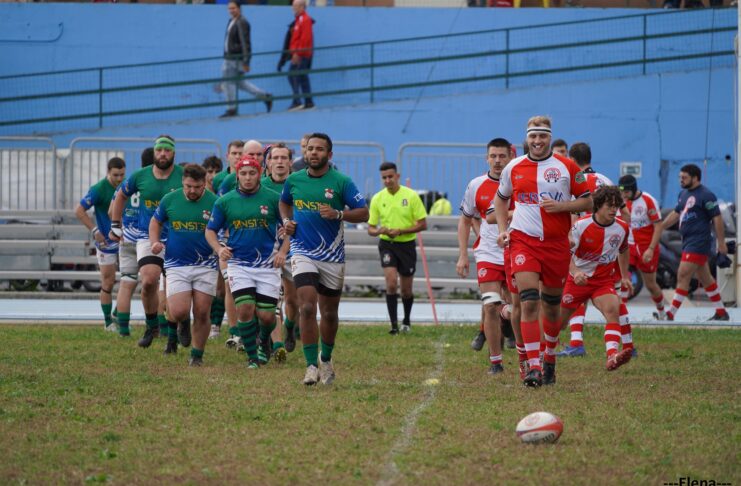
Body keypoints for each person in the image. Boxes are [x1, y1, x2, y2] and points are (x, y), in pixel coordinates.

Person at [494, 116, 591, 387]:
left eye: (543, 136)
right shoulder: (514, 167)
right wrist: (503, 228)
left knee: (551, 308)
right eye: (533, 137)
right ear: (527, 138)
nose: (537, 141)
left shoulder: (567, 167)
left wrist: (562, 208)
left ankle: (549, 357)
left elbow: (589, 201)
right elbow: (500, 199)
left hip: (556, 244)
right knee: (528, 301)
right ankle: (533, 367)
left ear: (550, 137)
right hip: (523, 241)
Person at [279, 133, 369, 385]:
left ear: (329, 155)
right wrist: (287, 222)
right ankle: (310, 366)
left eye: (319, 149)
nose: (313, 153)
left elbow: (364, 213)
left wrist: (338, 213)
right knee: (306, 306)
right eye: (310, 149)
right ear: (305, 153)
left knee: (329, 313)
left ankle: (326, 360)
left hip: (332, 255)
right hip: (302, 251)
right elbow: (284, 203)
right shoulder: (294, 180)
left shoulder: (342, 182)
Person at [205, 155, 287, 369]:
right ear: (237, 175)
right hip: (239, 264)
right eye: (243, 173)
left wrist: (283, 252)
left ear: (259, 174)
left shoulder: (273, 198)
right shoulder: (224, 201)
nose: (248, 177)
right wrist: (219, 248)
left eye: (252, 173)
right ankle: (253, 357)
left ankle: (264, 341)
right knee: (245, 309)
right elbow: (210, 230)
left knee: (267, 317)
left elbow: (290, 229)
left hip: (268, 265)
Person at [558, 142, 633, 358]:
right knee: (615, 299)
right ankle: (627, 345)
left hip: (589, 243)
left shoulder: (578, 181)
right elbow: (625, 214)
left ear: (572, 160)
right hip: (612, 243)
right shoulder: (607, 180)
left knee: (580, 289)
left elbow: (573, 214)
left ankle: (576, 342)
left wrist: (572, 234)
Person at [110, 135, 185, 348]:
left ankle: (174, 332)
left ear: (173, 153)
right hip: (147, 236)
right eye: (159, 150)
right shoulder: (140, 176)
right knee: (149, 281)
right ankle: (152, 325)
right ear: (154, 152)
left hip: (178, 236)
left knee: (174, 288)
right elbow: (121, 196)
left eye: (167, 150)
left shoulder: (182, 175)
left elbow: (202, 196)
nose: (162, 154)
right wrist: (115, 224)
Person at [149, 164, 218, 365]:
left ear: (204, 183)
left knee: (203, 312)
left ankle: (197, 355)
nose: (192, 191)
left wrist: (221, 245)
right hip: (176, 263)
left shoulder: (215, 202)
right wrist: (154, 241)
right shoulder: (170, 199)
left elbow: (224, 228)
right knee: (178, 311)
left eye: (197, 187)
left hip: (206, 264)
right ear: (183, 182)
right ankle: (183, 323)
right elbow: (155, 222)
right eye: (188, 186)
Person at [457, 138, 513, 375]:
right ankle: (496, 362)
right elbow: (465, 219)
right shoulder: (476, 185)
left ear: (510, 157)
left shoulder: (519, 181)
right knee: (490, 305)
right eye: (493, 156)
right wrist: (462, 255)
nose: (498, 161)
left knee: (519, 308)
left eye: (502, 156)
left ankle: (529, 357)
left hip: (516, 252)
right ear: (487, 158)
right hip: (488, 253)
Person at [659, 164, 729, 321]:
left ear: (695, 178)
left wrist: (722, 243)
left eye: (684, 177)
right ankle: (721, 312)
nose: (681, 180)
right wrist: (660, 227)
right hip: (688, 241)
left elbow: (717, 219)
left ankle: (670, 314)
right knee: (705, 278)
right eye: (680, 177)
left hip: (699, 242)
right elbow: (676, 214)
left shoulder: (707, 195)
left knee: (683, 274)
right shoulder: (683, 194)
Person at [367, 162, 427, 335]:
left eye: (390, 176)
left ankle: (406, 321)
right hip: (387, 245)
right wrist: (380, 230)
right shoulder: (378, 198)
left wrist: (401, 231)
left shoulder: (411, 195)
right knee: (391, 282)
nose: (387, 180)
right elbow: (371, 229)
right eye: (384, 178)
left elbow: (423, 224)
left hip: (407, 245)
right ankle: (393, 325)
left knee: (406, 290)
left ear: (398, 176)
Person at [75, 157, 126, 331]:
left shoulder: (127, 186)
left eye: (122, 175)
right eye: (116, 175)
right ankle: (108, 322)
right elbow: (79, 210)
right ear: (108, 172)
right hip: (106, 242)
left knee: (130, 279)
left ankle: (118, 314)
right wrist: (95, 231)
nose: (119, 179)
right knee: (108, 281)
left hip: (125, 240)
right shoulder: (98, 189)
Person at [261, 142, 297, 361]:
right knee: (272, 300)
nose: (280, 162)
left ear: (290, 162)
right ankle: (274, 344)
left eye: (284, 158)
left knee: (294, 301)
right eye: (276, 158)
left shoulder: (298, 184)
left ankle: (291, 327)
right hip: (268, 251)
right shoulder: (260, 186)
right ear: (268, 161)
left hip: (295, 249)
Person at [618, 174, 667, 320]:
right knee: (624, 279)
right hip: (629, 247)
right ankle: (622, 316)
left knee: (651, 285)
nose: (624, 195)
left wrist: (651, 249)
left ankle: (662, 312)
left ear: (633, 189)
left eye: (626, 192)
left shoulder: (648, 200)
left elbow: (658, 225)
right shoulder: (621, 202)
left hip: (646, 247)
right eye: (621, 192)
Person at [219, 0, 273, 118]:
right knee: (241, 83)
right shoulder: (232, 21)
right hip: (230, 57)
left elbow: (245, 43)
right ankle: (265, 96)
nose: (231, 10)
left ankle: (231, 109)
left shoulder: (242, 22)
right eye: (229, 8)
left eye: (233, 8)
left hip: (234, 59)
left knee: (229, 83)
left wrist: (246, 61)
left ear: (239, 8)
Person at [287, 0, 315, 111]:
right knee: (302, 76)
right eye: (293, 6)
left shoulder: (305, 19)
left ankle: (297, 101)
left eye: (295, 6)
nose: (293, 8)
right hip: (300, 53)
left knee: (293, 75)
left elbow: (305, 39)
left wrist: (297, 53)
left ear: (302, 7)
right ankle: (308, 102)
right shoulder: (299, 20)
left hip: (302, 54)